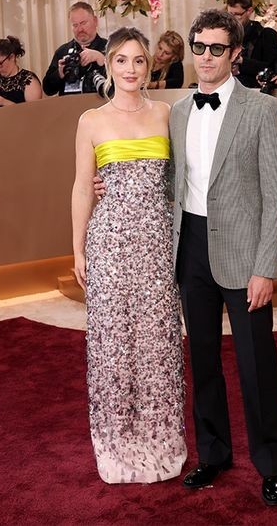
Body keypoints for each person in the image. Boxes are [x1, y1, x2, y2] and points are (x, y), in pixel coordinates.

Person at [96, 9, 277, 506]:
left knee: (255, 365)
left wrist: (265, 266)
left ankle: (271, 464)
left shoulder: (262, 110)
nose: (206, 56)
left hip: (244, 255)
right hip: (189, 249)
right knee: (203, 361)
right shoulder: (177, 111)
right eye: (199, 46)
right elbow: (164, 179)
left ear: (236, 54)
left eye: (217, 49)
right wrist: (108, 184)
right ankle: (214, 453)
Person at [70, 27, 187, 484]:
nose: (131, 69)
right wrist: (77, 248)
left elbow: (182, 180)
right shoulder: (91, 120)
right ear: (108, 63)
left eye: (138, 60)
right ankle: (116, 446)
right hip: (109, 244)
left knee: (158, 345)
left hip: (158, 245)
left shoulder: (166, 114)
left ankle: (161, 442)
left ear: (149, 64)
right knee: (113, 347)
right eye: (121, 60)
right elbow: (82, 186)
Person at [43, 2, 108, 97]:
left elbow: (121, 85)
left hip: (100, 108)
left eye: (83, 23)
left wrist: (101, 60)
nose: (80, 29)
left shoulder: (110, 48)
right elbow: (48, 90)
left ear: (95, 21)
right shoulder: (62, 51)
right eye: (75, 25)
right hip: (69, 109)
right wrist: (60, 73)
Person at [225, 0, 277, 89]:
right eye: (230, 14)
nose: (232, 20)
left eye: (237, 15)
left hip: (255, 91)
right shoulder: (226, 35)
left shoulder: (266, 35)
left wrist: (241, 61)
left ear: (249, 11)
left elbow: (273, 68)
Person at [0, 36, 42, 108]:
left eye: (0, 63)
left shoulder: (28, 80)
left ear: (12, 57)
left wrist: (4, 102)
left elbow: (34, 112)